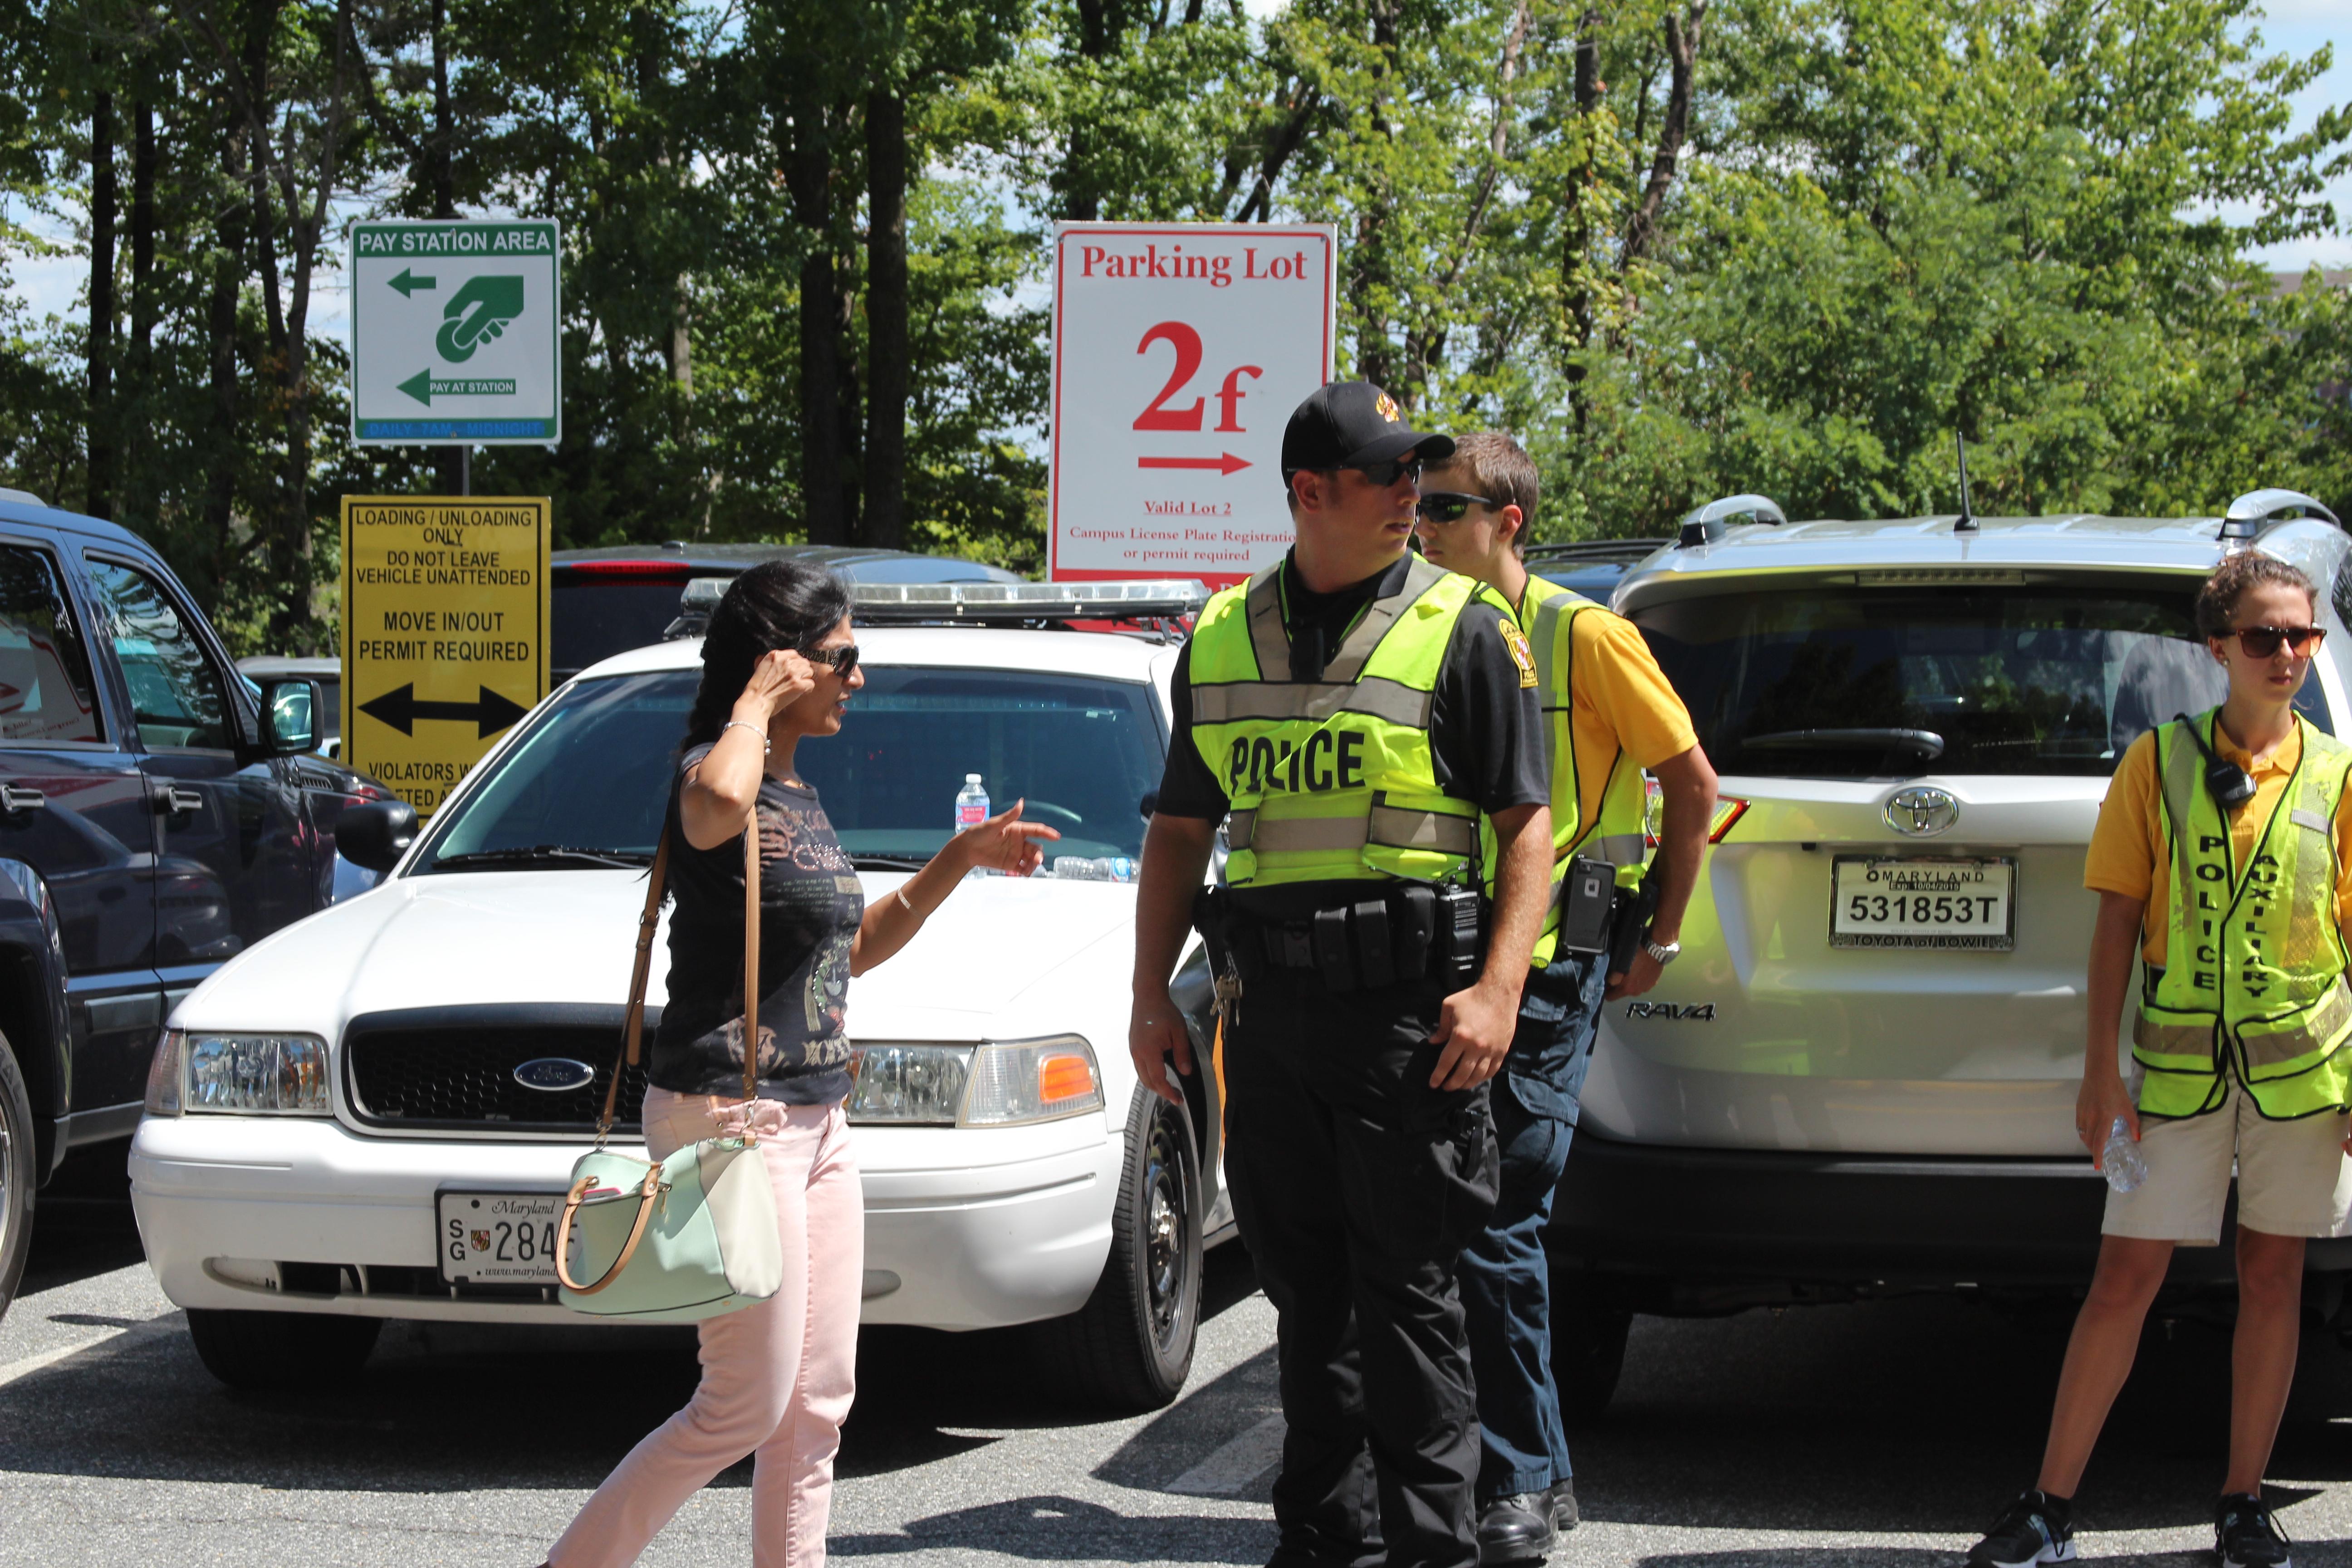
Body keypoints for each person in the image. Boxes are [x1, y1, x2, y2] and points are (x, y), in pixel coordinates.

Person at [542, 561, 1056, 1568]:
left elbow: (851, 947)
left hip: (817, 1118)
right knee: (742, 1404)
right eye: (842, 658)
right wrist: (752, 702)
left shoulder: (798, 794)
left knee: (817, 1405)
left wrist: (960, 859)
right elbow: (710, 808)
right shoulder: (715, 772)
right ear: (781, 663)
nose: (857, 679)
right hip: (732, 1119)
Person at [1130, 381, 1554, 1568]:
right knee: (1308, 1306)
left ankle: (1434, 1552)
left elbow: (1529, 825)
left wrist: (1501, 992)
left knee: (1412, 1309)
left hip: (1409, 1023)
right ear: (1310, 493)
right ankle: (1324, 1545)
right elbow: (1178, 830)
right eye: (1389, 476)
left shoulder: (1465, 627)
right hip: (1272, 1024)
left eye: (1418, 473)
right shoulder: (1219, 640)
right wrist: (1147, 992)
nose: (1411, 493)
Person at [1964, 552, 2352, 1568]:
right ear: (2218, 647)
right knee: (2124, 1278)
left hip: (2305, 1079)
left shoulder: (2336, 771)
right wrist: (2100, 1072)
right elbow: (2116, 925)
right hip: (2176, 1078)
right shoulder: (2159, 761)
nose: (2288, 656)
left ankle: (2242, 1503)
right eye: (2265, 637)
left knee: (2274, 1276)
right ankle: (2048, 1503)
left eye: (2303, 636)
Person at [1413, 432, 1717, 1563]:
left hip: (1548, 966)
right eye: (1419, 507)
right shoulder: (1418, 630)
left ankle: (1522, 1483)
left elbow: (1692, 783)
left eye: (1447, 508)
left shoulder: (1584, 634)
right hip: (1444, 963)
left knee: (1498, 1208)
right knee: (1462, 1213)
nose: (1424, 526)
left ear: (1510, 523)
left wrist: (1666, 930)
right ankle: (1527, 1470)